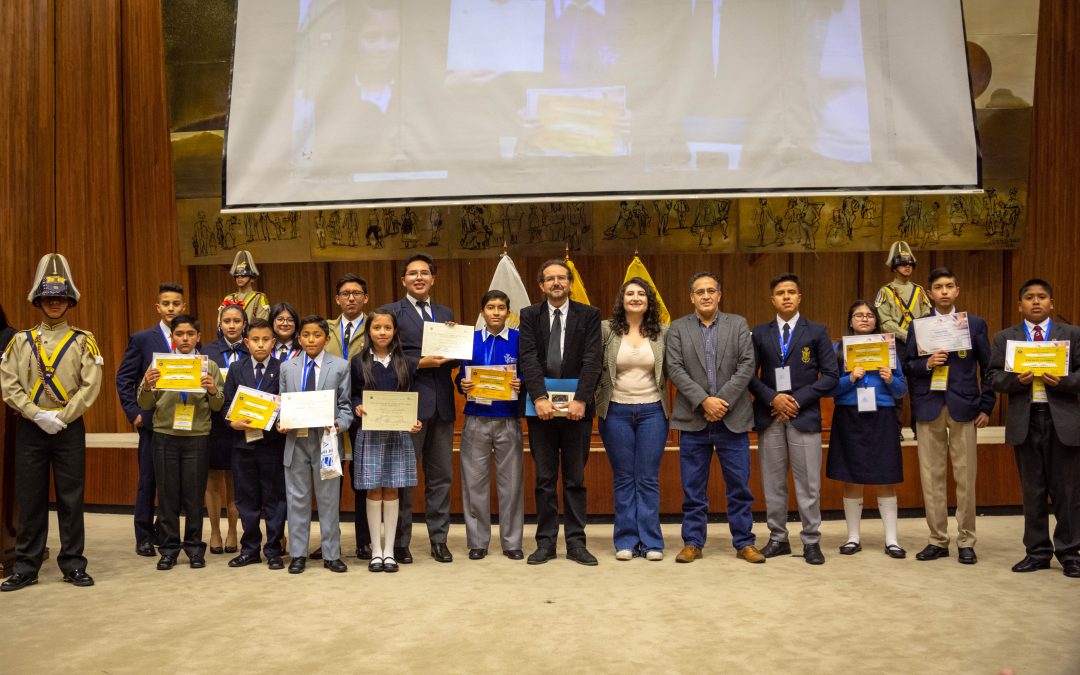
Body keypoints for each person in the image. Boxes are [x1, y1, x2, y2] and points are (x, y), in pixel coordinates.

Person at [0, 254, 103, 591]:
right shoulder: (19, 342)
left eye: (60, 298)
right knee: (30, 498)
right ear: (38, 300)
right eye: (48, 297)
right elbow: (9, 383)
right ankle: (26, 566)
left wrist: (61, 416)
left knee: (72, 498)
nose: (54, 303)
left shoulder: (83, 340)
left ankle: (73, 563)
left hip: (68, 428)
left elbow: (91, 384)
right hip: (31, 428)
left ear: (69, 301)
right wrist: (36, 414)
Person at [665, 271, 764, 565]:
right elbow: (675, 368)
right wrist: (704, 401)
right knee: (693, 488)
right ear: (691, 297)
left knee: (739, 487)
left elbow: (748, 365)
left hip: (732, 419)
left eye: (711, 290)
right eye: (700, 291)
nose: (706, 295)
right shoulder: (678, 329)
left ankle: (744, 542)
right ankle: (693, 542)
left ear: (719, 295)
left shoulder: (738, 324)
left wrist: (722, 401)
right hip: (694, 420)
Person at [988, 279, 1080, 578]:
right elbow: (993, 377)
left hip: (1063, 420)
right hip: (1026, 420)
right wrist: (1018, 380)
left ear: (1051, 303)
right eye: (1029, 297)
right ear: (1020, 305)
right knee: (1033, 490)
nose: (1036, 302)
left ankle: (1070, 552)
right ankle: (1037, 552)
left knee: (1067, 492)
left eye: (1042, 297)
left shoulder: (1073, 335)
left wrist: (1063, 381)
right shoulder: (1006, 338)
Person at [904, 267, 994, 565]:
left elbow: (989, 367)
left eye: (950, 286)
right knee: (931, 478)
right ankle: (937, 539)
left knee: (966, 477)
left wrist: (986, 406)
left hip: (964, 406)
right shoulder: (918, 326)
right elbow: (907, 368)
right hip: (929, 406)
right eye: (938, 287)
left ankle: (966, 540)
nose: (944, 291)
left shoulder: (974, 324)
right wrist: (927, 363)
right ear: (929, 293)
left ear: (957, 290)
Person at [749, 273, 839, 565]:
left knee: (808, 482)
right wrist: (773, 398)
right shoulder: (760, 334)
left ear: (799, 297)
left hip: (804, 414)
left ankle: (811, 540)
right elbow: (749, 376)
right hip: (770, 415)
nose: (786, 296)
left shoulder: (816, 331)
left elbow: (831, 377)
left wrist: (796, 400)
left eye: (791, 292)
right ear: (772, 299)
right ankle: (778, 538)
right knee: (773, 482)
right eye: (780, 293)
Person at [518, 259, 602, 565]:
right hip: (541, 410)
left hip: (578, 410)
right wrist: (539, 397)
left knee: (575, 478)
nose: (556, 283)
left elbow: (593, 358)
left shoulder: (589, 315)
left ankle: (577, 543)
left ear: (570, 283)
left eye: (561, 278)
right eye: (550, 279)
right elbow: (526, 356)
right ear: (541, 286)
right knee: (544, 478)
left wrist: (581, 399)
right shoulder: (528, 316)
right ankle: (546, 543)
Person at [380, 254, 457, 564]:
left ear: (433, 279)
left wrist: (456, 342)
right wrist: (417, 363)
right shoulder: (390, 313)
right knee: (405, 479)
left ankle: (439, 540)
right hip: (407, 404)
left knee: (441, 478)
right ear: (404, 280)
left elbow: (456, 358)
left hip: (442, 406)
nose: (419, 277)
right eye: (413, 273)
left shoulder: (444, 312)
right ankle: (401, 542)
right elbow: (383, 355)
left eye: (425, 272)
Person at [137, 314, 225, 571]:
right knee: (167, 496)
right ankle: (169, 549)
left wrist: (211, 389)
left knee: (194, 496)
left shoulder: (209, 367)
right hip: (165, 435)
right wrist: (148, 386)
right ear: (172, 337)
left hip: (197, 436)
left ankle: (195, 549)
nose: (185, 339)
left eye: (190, 334)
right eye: (179, 334)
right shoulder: (158, 365)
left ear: (198, 337)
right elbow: (145, 404)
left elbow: (218, 405)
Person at [826, 301, 908, 558]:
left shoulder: (890, 349)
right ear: (850, 321)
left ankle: (892, 540)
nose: (864, 319)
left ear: (876, 321)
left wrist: (889, 378)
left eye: (869, 315)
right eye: (858, 315)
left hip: (882, 415)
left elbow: (902, 390)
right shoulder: (838, 349)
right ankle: (853, 538)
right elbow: (829, 388)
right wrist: (850, 378)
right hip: (849, 416)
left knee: (886, 477)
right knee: (852, 477)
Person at [595, 278, 668, 561]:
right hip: (615, 411)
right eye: (630, 293)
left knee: (647, 478)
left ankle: (651, 542)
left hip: (652, 411)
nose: (635, 298)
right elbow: (592, 365)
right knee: (624, 478)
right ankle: (626, 540)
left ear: (649, 300)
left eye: (641, 294)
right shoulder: (606, 330)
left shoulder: (663, 332)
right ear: (621, 299)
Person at [277, 315, 353, 574]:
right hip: (295, 440)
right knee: (297, 498)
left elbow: (346, 407)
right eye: (306, 335)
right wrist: (281, 421)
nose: (311, 340)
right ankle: (298, 553)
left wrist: (338, 424)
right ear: (299, 339)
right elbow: (281, 404)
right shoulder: (288, 368)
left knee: (329, 499)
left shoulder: (340, 366)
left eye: (317, 335)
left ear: (326, 339)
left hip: (326, 442)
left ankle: (331, 553)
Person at [115, 282, 186, 557]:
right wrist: (133, 412)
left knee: (179, 482)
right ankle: (143, 536)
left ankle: (162, 530)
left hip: (183, 422)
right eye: (166, 304)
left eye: (176, 304)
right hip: (152, 422)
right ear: (158, 307)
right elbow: (124, 378)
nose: (171, 308)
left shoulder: (190, 337)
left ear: (183, 306)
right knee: (149, 480)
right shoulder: (143, 339)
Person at [455, 290, 525, 561]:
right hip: (475, 418)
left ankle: (512, 542)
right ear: (482, 312)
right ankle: (477, 541)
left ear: (509, 312)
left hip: (508, 418)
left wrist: (522, 383)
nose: (496, 312)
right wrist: (462, 384)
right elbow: (461, 376)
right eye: (490, 307)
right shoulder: (469, 340)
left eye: (501, 308)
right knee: (474, 483)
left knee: (511, 484)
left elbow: (529, 373)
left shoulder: (520, 339)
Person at [350, 309, 422, 573]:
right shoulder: (358, 362)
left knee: (392, 489)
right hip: (369, 432)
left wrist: (414, 420)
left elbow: (411, 395)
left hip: (397, 432)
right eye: (377, 328)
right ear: (369, 331)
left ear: (395, 332)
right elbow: (354, 394)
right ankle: (375, 550)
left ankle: (389, 550)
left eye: (387, 328)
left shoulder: (406, 361)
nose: (382, 332)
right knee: (373, 489)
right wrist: (357, 406)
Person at [223, 318, 288, 570]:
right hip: (243, 445)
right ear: (246, 342)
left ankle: (273, 550)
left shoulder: (283, 369)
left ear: (273, 342)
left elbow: (289, 402)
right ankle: (249, 549)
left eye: (265, 340)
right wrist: (233, 422)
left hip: (272, 444)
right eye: (255, 340)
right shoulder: (236, 368)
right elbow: (227, 405)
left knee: (274, 499)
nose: (260, 345)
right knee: (246, 499)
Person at [326, 273, 371, 560]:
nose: (351, 298)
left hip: (364, 411)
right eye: (345, 293)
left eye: (356, 293)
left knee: (361, 479)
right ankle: (330, 542)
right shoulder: (325, 328)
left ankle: (364, 541)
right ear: (337, 299)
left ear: (365, 298)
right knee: (330, 478)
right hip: (329, 413)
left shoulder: (377, 325)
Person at [201, 305, 248, 554]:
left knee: (235, 479)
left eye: (236, 321)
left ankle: (232, 531)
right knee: (213, 478)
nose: (231, 325)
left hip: (240, 424)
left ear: (244, 324)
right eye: (227, 321)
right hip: (214, 423)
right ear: (220, 324)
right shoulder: (207, 351)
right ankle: (215, 532)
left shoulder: (251, 349)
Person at [875, 241, 931, 344]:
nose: (908, 266)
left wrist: (917, 335)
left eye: (910, 264)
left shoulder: (919, 290)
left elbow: (926, 315)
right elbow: (885, 322)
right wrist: (906, 335)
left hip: (919, 340)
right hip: (896, 342)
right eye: (903, 264)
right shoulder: (885, 291)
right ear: (895, 268)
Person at [219, 250, 269, 323]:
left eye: (244, 275)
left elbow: (262, 323)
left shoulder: (258, 298)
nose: (240, 277)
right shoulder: (228, 298)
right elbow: (220, 322)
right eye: (237, 276)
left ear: (252, 278)